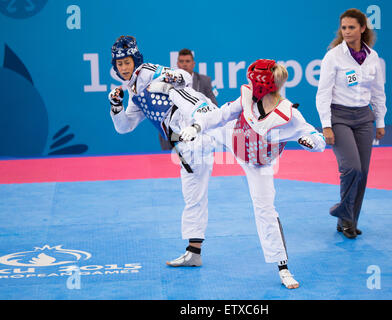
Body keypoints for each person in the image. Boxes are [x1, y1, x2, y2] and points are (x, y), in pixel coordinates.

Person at [178, 59, 326, 289]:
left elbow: (319, 140)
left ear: (261, 84)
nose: (248, 82)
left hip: (259, 164)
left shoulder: (289, 115)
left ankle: (283, 267)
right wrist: (196, 127)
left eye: (252, 79)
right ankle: (175, 90)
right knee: (203, 110)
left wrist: (310, 142)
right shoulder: (247, 98)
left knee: (265, 210)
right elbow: (221, 115)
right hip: (233, 137)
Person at [108, 35, 219, 267]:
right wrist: (116, 107)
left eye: (127, 62)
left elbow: (186, 77)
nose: (124, 67)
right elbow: (124, 127)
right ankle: (194, 253)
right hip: (185, 143)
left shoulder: (148, 71)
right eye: (120, 64)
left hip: (198, 119)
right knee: (193, 197)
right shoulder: (134, 94)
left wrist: (168, 79)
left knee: (236, 132)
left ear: (135, 59)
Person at [315, 8, 387, 239]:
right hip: (339, 118)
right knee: (352, 168)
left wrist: (380, 120)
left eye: (351, 27)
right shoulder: (333, 56)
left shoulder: (373, 57)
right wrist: (326, 125)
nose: (346, 32)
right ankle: (343, 212)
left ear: (362, 29)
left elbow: (378, 92)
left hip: (364, 119)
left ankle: (348, 220)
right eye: (343, 28)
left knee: (363, 173)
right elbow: (323, 93)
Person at [158, 48, 218, 150]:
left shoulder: (204, 81)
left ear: (193, 64)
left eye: (187, 61)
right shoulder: (168, 82)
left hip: (198, 129)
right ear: (177, 64)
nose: (184, 64)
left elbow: (214, 105)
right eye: (181, 61)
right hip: (176, 130)